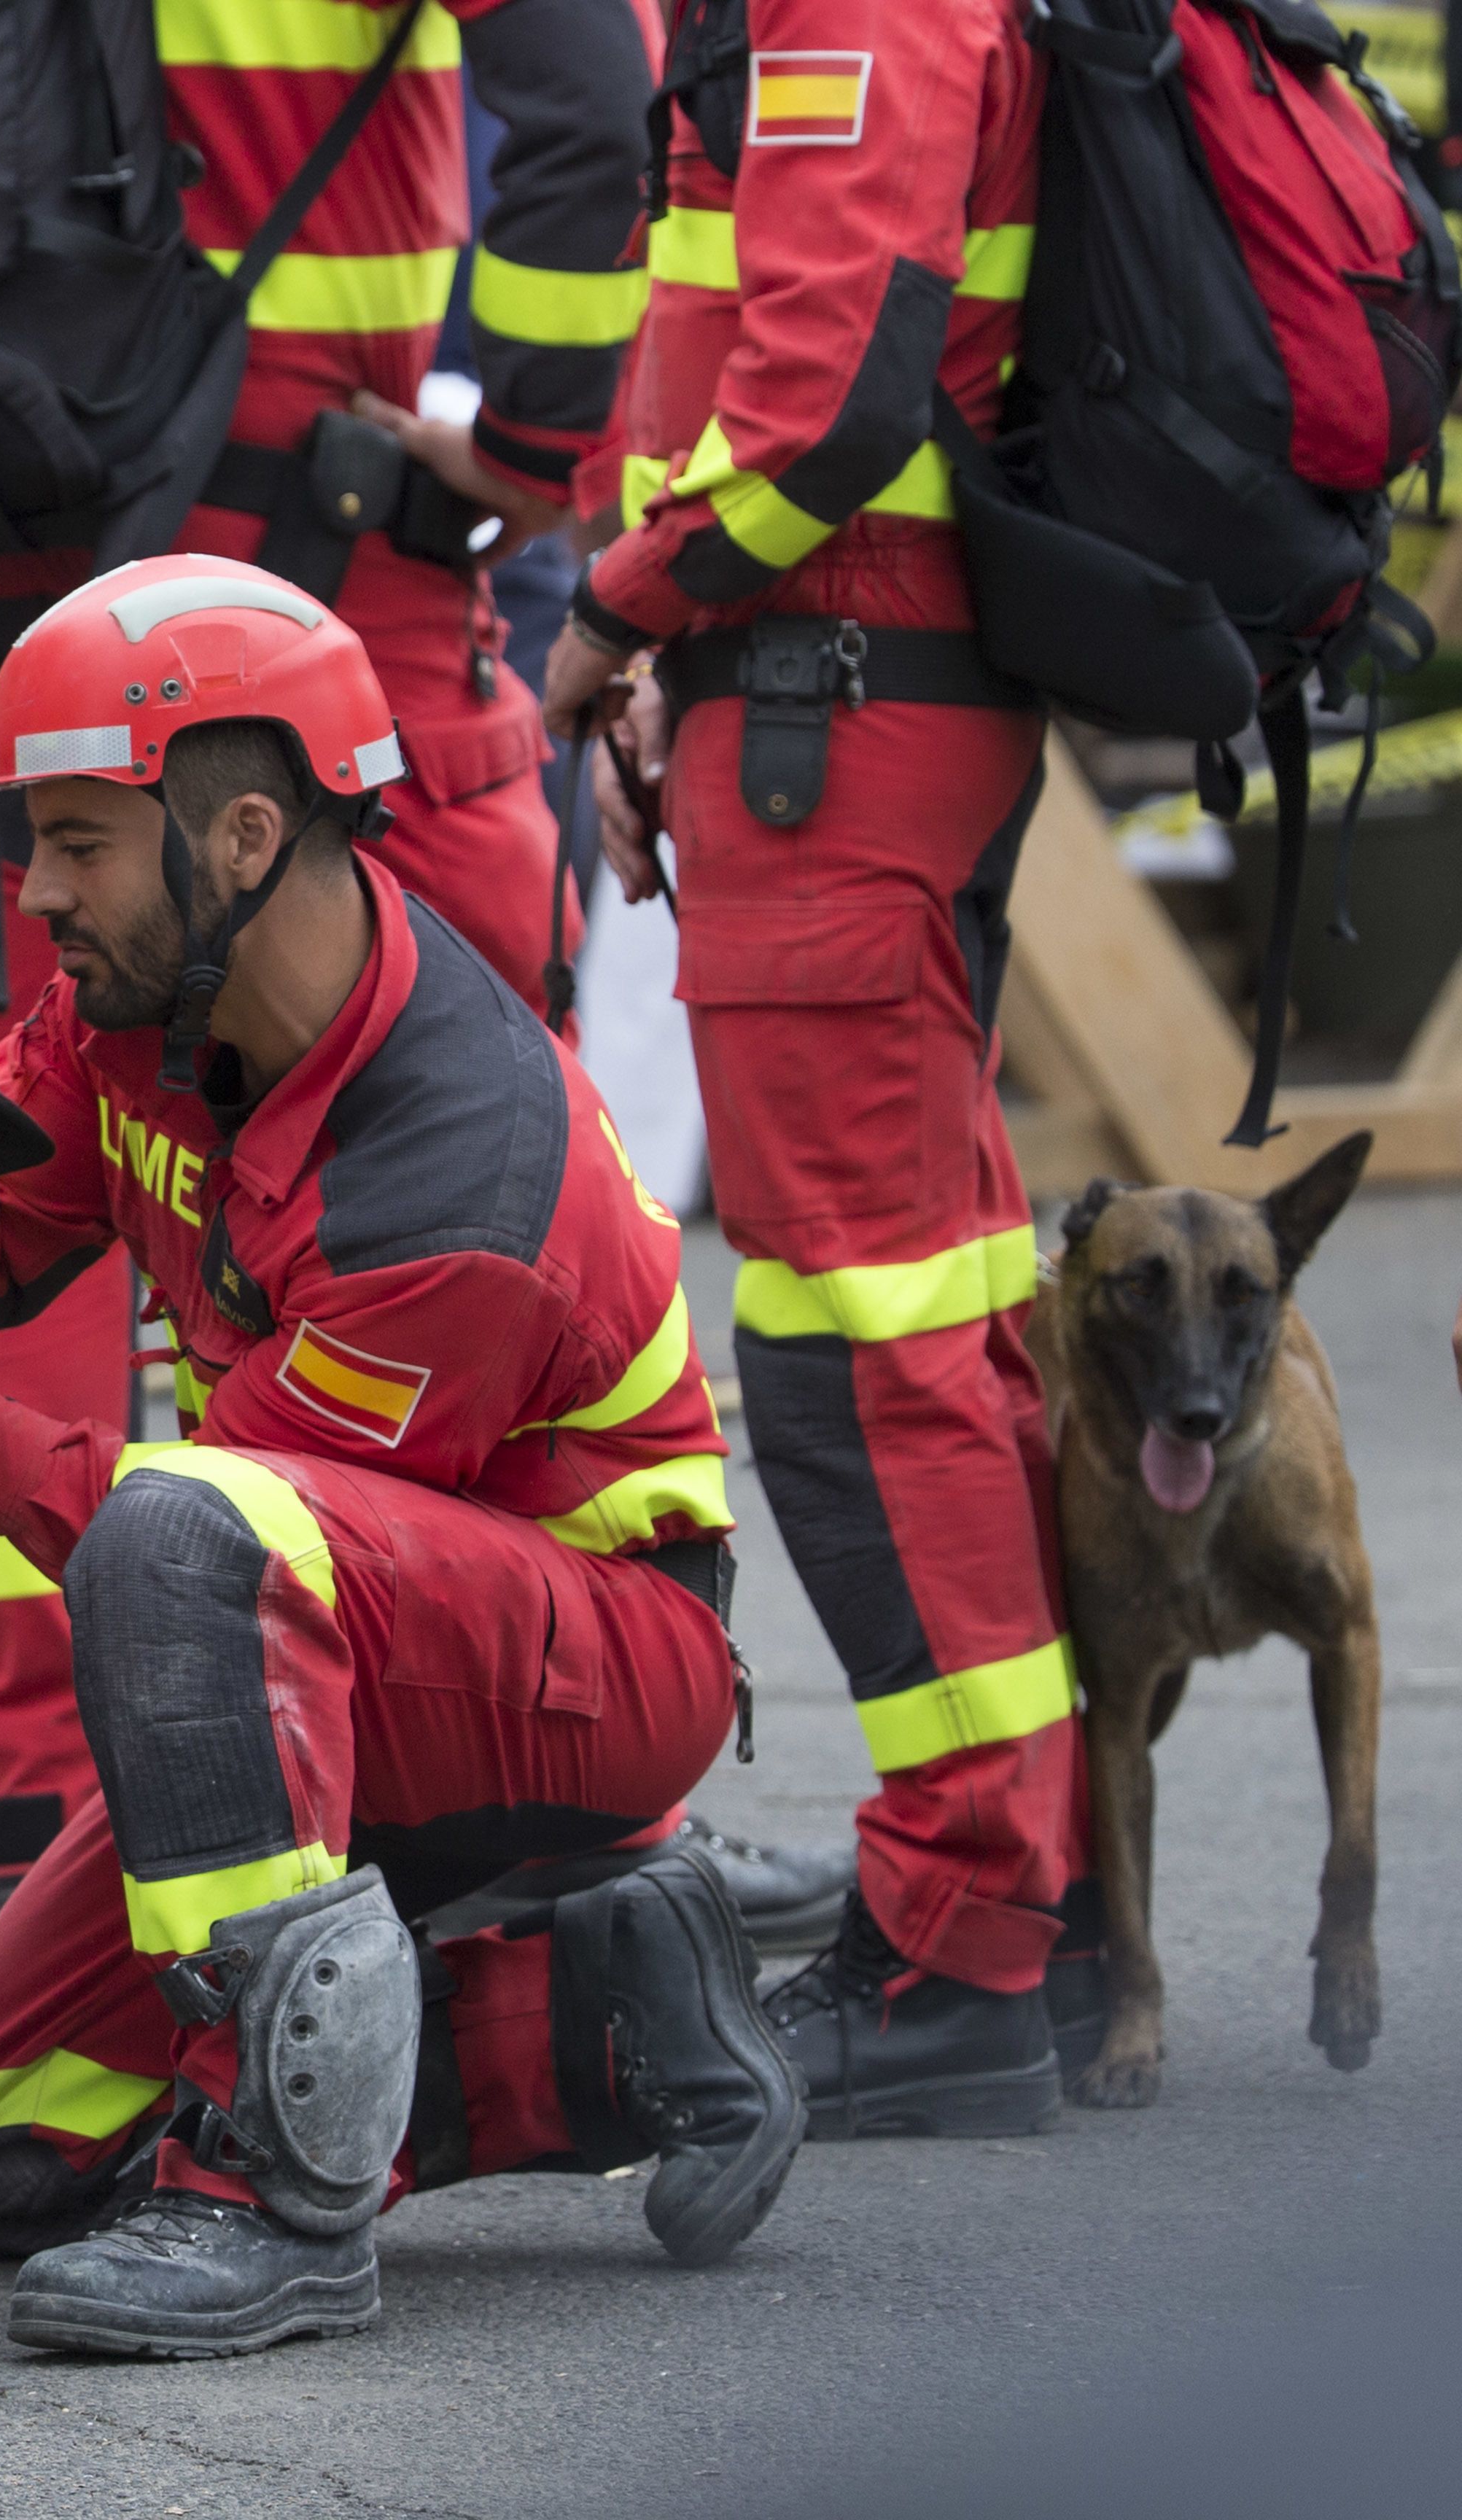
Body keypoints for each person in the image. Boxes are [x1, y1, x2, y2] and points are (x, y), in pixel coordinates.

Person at [0, 554, 800, 2357]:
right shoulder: (152, 998)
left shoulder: (454, 1179)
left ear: (236, 839)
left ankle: (270, 2202)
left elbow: (201, 1547)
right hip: (326, 1607)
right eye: (36, 843)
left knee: (184, 1533)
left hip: (597, 1668)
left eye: (78, 842)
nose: (35, 893)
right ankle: (600, 2023)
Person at [541, 0, 1080, 2136]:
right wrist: (672, 654)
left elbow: (835, 396)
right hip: (823, 697)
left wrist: (618, 613)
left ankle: (963, 1945)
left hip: (836, 717)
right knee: (939, 1326)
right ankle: (1037, 1897)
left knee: (871, 1356)